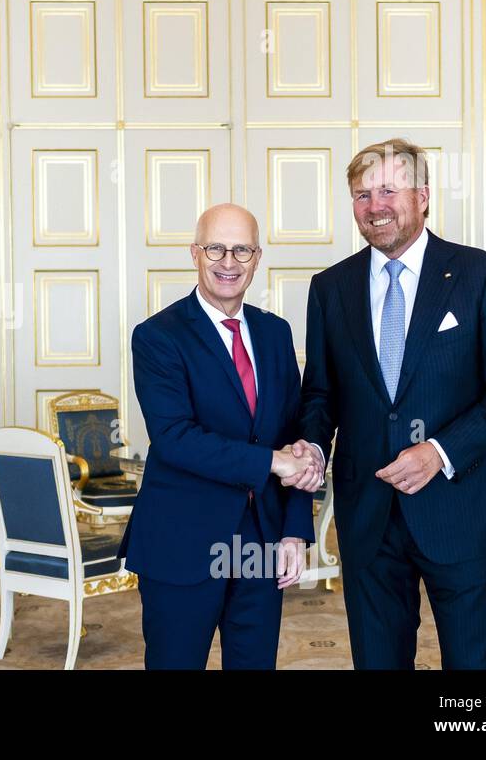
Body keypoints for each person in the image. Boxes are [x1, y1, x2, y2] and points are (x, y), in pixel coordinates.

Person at [283, 138, 486, 669]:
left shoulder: (480, 275)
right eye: (361, 194)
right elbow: (321, 393)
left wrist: (439, 452)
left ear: (422, 195)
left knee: (474, 666)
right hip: (368, 514)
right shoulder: (330, 289)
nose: (374, 206)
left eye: (388, 190)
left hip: (457, 508)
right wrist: (310, 446)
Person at [119, 202, 315, 670]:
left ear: (257, 257)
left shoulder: (274, 333)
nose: (229, 262)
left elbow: (295, 436)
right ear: (194, 253)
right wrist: (272, 462)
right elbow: (175, 438)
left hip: (262, 541)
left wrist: (294, 533)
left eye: (241, 250)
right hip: (183, 541)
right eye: (216, 249)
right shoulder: (157, 336)